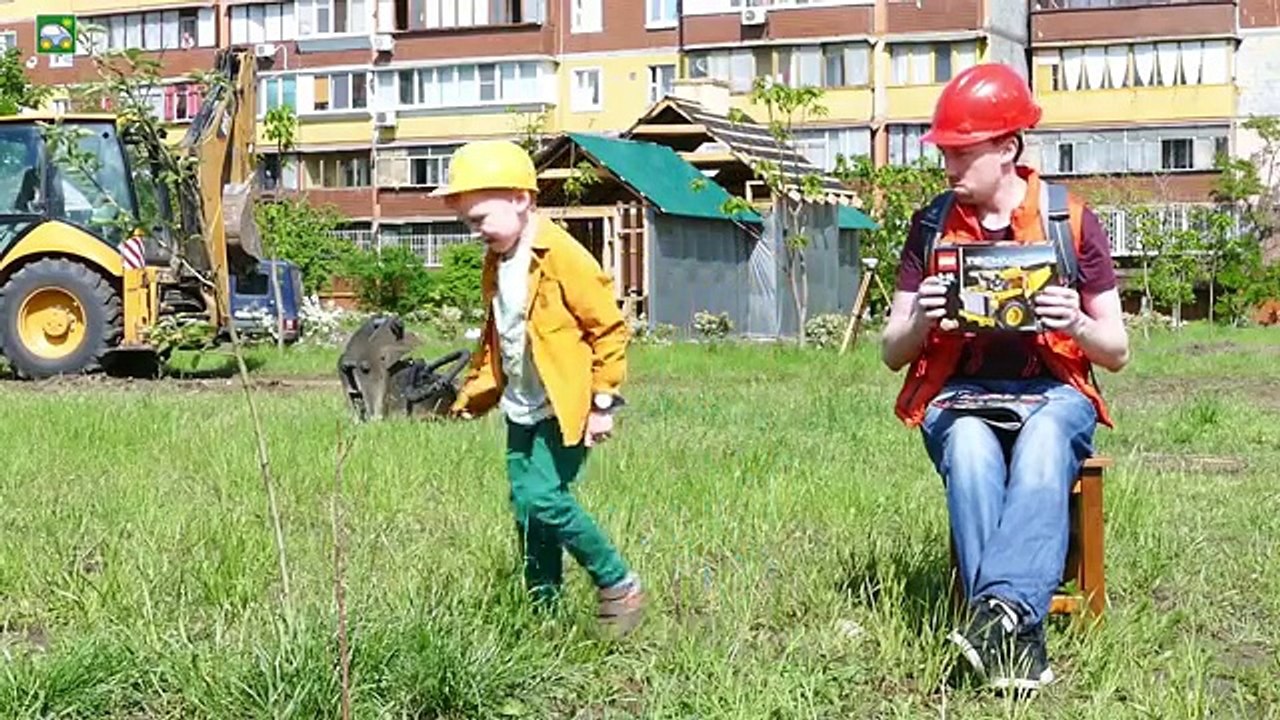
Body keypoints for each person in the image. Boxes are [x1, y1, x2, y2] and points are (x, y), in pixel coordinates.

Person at [880, 63, 1131, 691]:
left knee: (1044, 440)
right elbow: (891, 351)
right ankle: (1014, 633)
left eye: (962, 153)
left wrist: (1075, 322)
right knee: (968, 448)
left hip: (1056, 393)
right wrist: (923, 321)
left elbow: (1117, 351)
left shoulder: (1069, 221)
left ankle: (997, 618)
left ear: (1008, 149)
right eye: (945, 153)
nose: (948, 167)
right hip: (960, 396)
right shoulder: (931, 226)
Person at [436, 139, 645, 637]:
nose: (475, 231)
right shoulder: (498, 259)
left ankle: (618, 582)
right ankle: (542, 612)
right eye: (468, 222)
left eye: (480, 219)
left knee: (543, 499)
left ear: (520, 199)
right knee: (526, 509)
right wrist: (473, 396)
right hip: (521, 406)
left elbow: (609, 328)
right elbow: (501, 336)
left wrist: (602, 402)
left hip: (564, 406)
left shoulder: (561, 254)